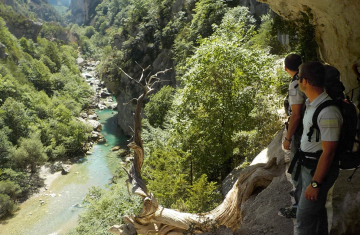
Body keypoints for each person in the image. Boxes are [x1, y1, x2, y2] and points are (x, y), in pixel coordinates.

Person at [295, 62, 343, 235]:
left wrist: (315, 183)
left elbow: (329, 152)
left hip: (318, 171)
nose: (297, 81)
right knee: (317, 213)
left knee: (304, 218)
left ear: (306, 81)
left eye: (298, 77)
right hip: (309, 167)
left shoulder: (328, 111)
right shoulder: (312, 103)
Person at [279, 54, 306, 218]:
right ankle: (300, 194)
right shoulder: (306, 79)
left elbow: (296, 115)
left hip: (301, 130)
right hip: (309, 128)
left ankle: (298, 207)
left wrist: (288, 138)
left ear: (285, 68)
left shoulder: (296, 84)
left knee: (297, 166)